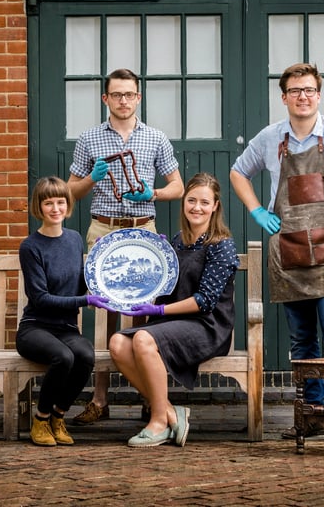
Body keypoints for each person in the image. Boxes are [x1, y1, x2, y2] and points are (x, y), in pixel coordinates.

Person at [230, 62, 324, 443]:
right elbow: (237, 172)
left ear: (318, 94)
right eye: (295, 90)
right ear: (284, 97)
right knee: (302, 342)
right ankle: (312, 415)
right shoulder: (269, 138)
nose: (302, 96)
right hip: (290, 252)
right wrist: (257, 210)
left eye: (309, 89)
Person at [67, 68, 184, 426]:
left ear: (138, 98)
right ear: (105, 99)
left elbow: (178, 186)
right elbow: (70, 190)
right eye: (116, 94)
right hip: (103, 230)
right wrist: (92, 178)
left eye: (129, 94)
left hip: (143, 230)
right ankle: (100, 400)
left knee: (143, 315)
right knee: (104, 315)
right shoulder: (89, 139)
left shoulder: (156, 138)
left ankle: (150, 400)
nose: (122, 100)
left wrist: (155, 193)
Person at [93, 172, 239, 447]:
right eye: (192, 200)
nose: (197, 207)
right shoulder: (176, 241)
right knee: (117, 344)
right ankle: (171, 411)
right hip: (175, 323)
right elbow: (159, 283)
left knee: (143, 339)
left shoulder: (222, 246)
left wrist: (159, 312)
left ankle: (159, 421)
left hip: (207, 325)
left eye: (205, 202)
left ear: (215, 206)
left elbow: (205, 301)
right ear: (184, 202)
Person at [16, 176, 108, 446]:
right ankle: (41, 419)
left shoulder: (75, 239)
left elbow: (82, 283)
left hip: (66, 328)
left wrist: (104, 260)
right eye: (48, 203)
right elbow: (40, 298)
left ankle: (58, 416)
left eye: (60, 202)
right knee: (64, 357)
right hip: (36, 327)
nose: (55, 208)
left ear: (68, 205)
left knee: (84, 355)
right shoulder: (30, 246)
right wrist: (86, 302)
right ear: (39, 207)